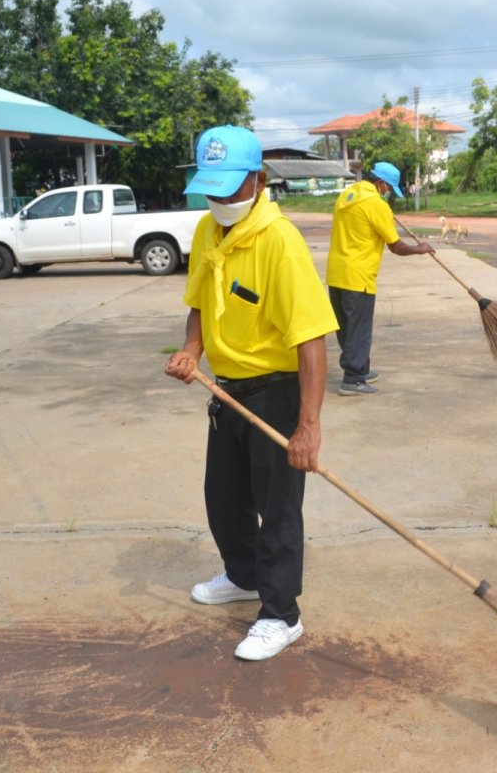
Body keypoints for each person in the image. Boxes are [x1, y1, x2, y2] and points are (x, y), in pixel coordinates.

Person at [164, 125, 339, 661]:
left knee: (278, 510)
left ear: (259, 180)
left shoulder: (278, 241)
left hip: (276, 394)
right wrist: (192, 349)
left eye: (230, 188)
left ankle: (282, 615)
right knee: (224, 497)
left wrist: (308, 426)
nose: (220, 200)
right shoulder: (208, 230)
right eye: (211, 189)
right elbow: (200, 300)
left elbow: (311, 338)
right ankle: (243, 576)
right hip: (227, 393)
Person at [325, 162, 434, 396]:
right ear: (381, 183)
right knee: (359, 329)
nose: (387, 193)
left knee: (346, 327)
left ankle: (360, 369)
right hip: (359, 276)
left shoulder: (347, 195)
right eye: (388, 188)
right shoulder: (376, 205)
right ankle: (353, 379)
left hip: (336, 273)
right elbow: (396, 246)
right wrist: (419, 248)